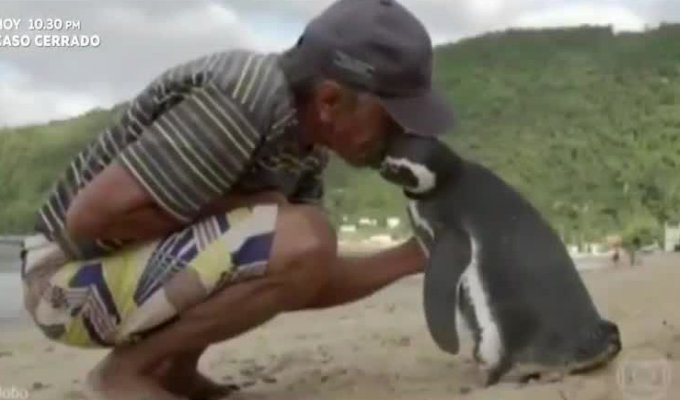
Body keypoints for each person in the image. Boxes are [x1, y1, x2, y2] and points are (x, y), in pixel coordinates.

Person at [19, 0, 455, 399]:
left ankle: (173, 373)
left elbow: (295, 274)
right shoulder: (242, 96)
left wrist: (415, 255)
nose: (401, 136)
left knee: (296, 233)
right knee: (294, 228)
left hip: (117, 275)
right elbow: (88, 221)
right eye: (394, 120)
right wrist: (247, 208)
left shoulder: (304, 146)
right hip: (61, 281)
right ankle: (124, 373)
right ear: (330, 100)